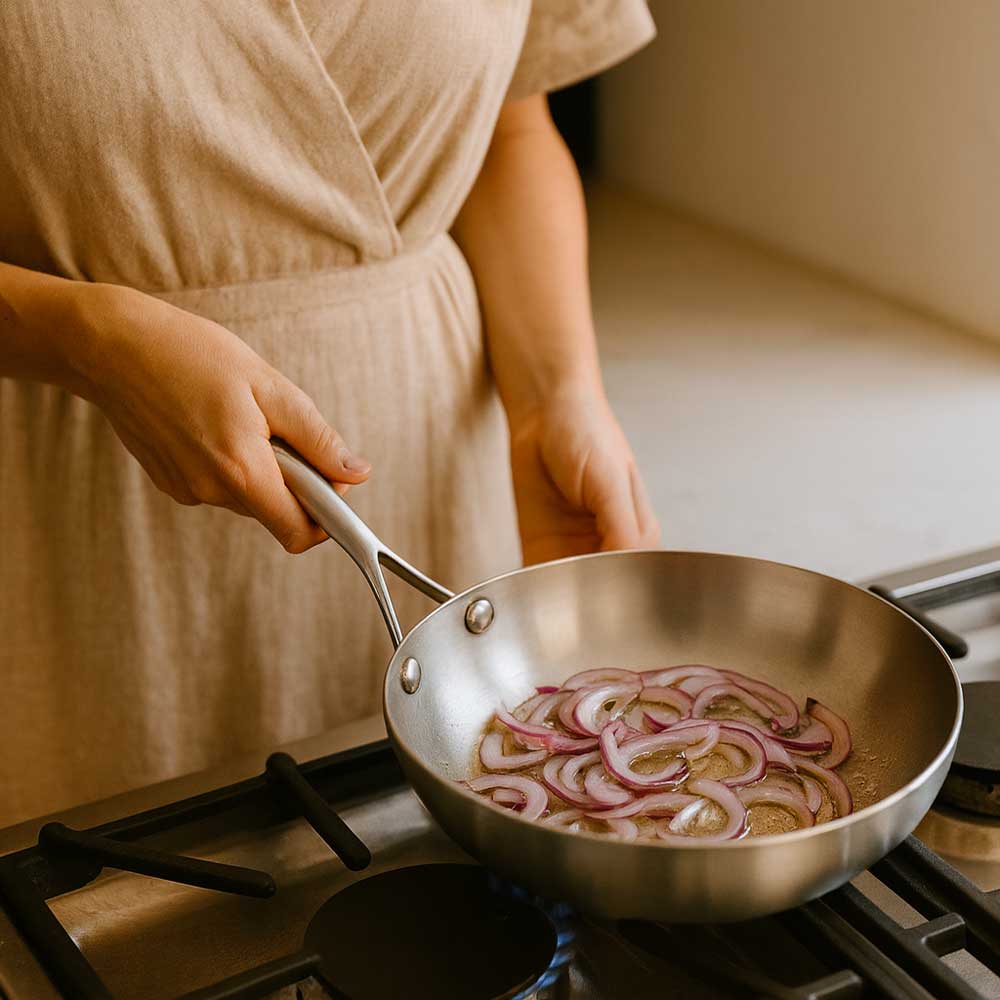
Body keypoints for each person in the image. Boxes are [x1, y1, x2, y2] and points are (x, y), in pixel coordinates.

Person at [0, 1, 658, 828]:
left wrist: (556, 394)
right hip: (67, 508)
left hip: (431, 460)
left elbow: (507, 130)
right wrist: (82, 339)